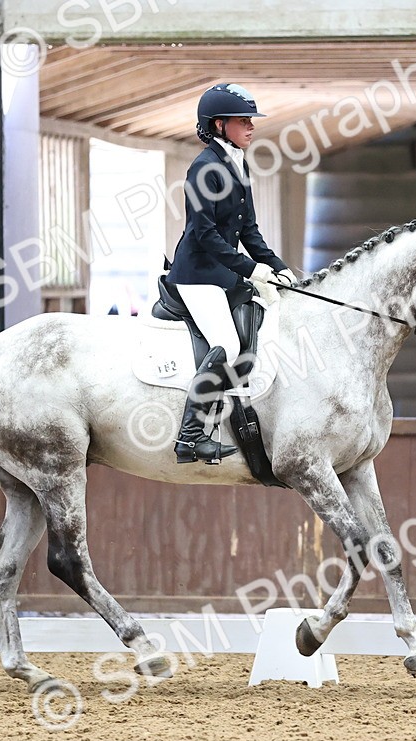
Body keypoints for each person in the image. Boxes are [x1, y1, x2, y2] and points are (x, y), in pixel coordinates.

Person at [168, 83, 295, 465]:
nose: (251, 127)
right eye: (243, 122)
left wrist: (277, 265)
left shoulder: (237, 163)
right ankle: (190, 436)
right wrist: (250, 269)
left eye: (251, 121)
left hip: (224, 274)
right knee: (228, 342)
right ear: (219, 125)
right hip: (197, 274)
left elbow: (248, 231)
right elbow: (203, 234)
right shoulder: (204, 168)